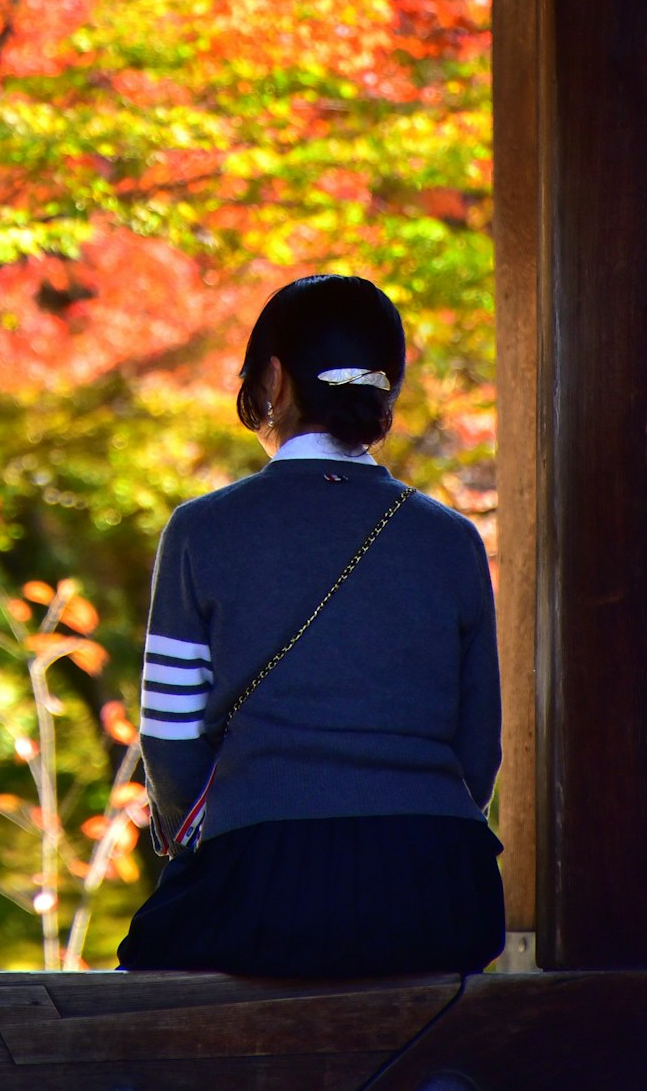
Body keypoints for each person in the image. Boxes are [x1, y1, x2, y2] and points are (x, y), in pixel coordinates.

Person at [119, 272, 504, 977]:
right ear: (387, 388)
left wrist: (204, 840)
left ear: (273, 378)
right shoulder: (451, 539)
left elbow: (170, 740)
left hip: (267, 880)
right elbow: (478, 748)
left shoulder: (203, 530)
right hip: (439, 887)